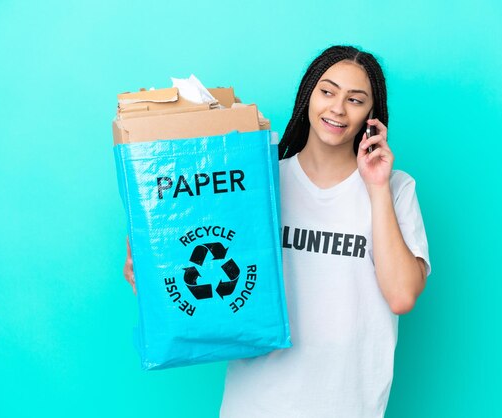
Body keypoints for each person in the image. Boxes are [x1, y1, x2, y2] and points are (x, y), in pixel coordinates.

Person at [124, 45, 431, 418]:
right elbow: (204, 250)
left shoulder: (395, 188)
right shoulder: (260, 181)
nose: (337, 108)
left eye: (355, 99)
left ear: (371, 115)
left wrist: (376, 185)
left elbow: (401, 296)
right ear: (308, 97)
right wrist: (153, 268)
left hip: (347, 405)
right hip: (257, 403)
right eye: (328, 91)